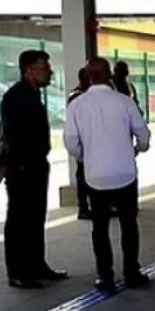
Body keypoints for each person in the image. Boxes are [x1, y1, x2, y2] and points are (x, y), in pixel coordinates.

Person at [64, 57, 152, 292]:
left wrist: (85, 157)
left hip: (95, 176)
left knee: (99, 229)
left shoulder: (77, 105)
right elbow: (142, 133)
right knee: (129, 225)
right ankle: (132, 272)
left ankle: (105, 276)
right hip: (125, 173)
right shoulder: (124, 102)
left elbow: (71, 142)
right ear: (110, 75)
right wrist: (138, 149)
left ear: (88, 76)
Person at [0, 49, 68, 289]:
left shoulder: (32, 95)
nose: (50, 72)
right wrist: (21, 163)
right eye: (45, 68)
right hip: (21, 169)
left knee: (36, 217)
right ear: (29, 70)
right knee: (19, 219)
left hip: (36, 166)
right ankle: (17, 272)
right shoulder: (15, 97)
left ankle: (37, 265)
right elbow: (14, 136)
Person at [67, 67, 93, 220]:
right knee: (82, 176)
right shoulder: (76, 96)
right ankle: (83, 207)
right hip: (83, 142)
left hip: (92, 141)